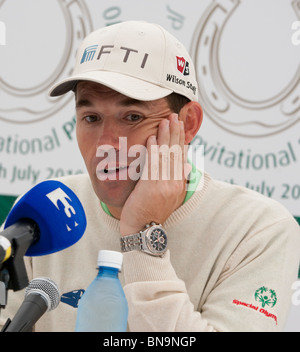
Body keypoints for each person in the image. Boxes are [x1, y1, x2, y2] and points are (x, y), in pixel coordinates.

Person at [1, 21, 299, 332]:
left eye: (132, 117)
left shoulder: (259, 228)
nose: (105, 143)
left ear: (188, 124)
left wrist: (142, 234)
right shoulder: (49, 210)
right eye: (91, 117)